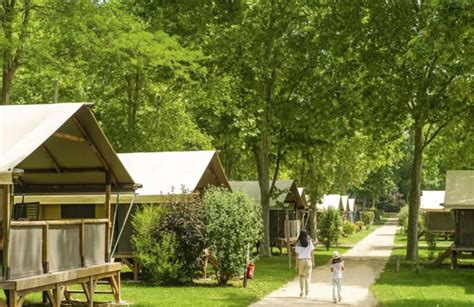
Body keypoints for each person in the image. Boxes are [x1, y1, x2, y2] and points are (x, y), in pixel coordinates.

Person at [294, 230, 315, 298]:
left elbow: (297, 255)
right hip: (308, 260)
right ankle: (307, 293)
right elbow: (312, 253)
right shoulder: (309, 242)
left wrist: (296, 264)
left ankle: (301, 291)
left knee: (301, 276)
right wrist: (313, 261)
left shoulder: (298, 243)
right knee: (307, 277)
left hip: (301, 261)